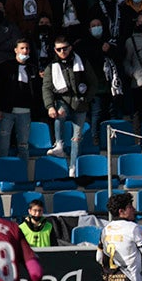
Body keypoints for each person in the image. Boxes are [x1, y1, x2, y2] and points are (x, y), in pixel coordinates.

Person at [43, 35, 97, 176]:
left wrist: (87, 98)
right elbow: (47, 88)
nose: (62, 52)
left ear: (70, 48)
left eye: (65, 48)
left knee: (77, 137)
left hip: (80, 103)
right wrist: (49, 106)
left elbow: (93, 82)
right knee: (59, 113)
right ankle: (59, 144)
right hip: (64, 100)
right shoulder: (51, 66)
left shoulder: (82, 62)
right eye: (59, 49)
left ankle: (73, 167)